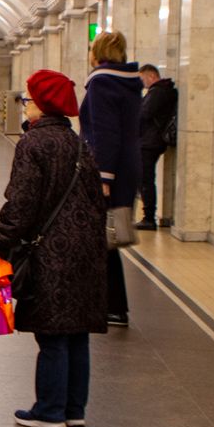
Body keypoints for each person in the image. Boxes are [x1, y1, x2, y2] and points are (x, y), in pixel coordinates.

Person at [0, 70, 108, 427]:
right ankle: (73, 409)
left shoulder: (33, 144)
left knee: (51, 334)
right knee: (76, 333)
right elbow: (95, 202)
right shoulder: (77, 143)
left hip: (51, 253)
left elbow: (20, 206)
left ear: (41, 105)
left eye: (27, 100)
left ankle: (49, 411)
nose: (24, 106)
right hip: (85, 252)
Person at [79, 31, 143, 327]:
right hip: (128, 166)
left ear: (96, 53)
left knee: (101, 237)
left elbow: (105, 132)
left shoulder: (102, 83)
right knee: (108, 236)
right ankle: (113, 303)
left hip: (109, 170)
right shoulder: (128, 83)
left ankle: (112, 304)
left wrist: (103, 177)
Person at [138, 63, 177, 230]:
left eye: (143, 79)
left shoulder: (158, 92)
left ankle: (149, 217)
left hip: (150, 142)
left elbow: (144, 113)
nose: (142, 83)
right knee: (144, 179)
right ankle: (148, 215)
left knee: (146, 179)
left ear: (151, 76)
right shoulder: (162, 91)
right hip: (151, 141)